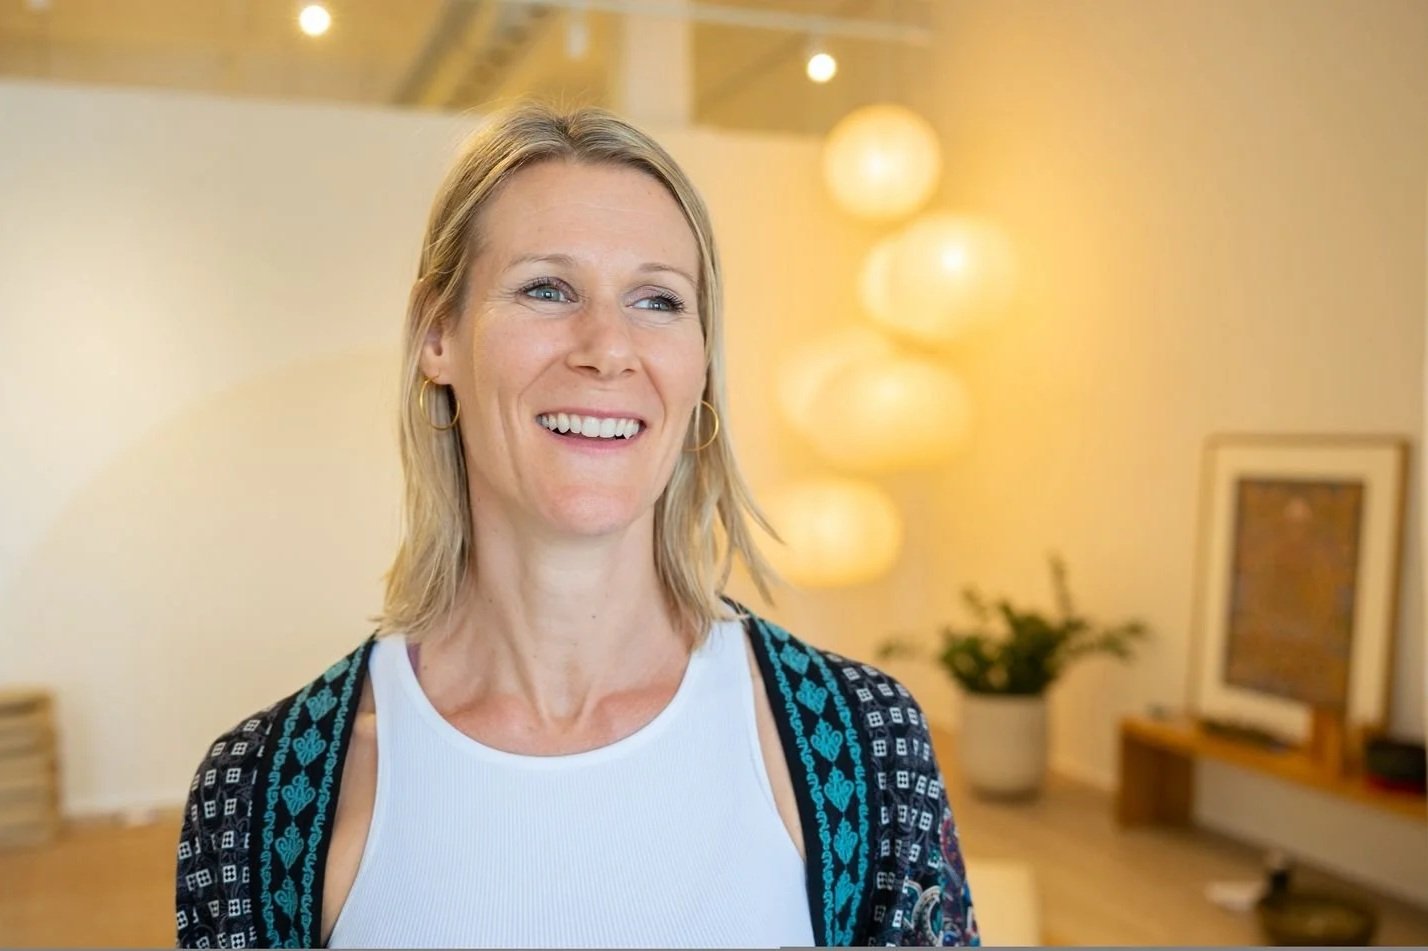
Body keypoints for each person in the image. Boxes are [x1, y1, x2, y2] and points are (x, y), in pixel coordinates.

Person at [175, 102, 978, 949]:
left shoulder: (864, 742)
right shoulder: (258, 797)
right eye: (547, 289)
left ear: (701, 364)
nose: (607, 346)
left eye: (657, 300)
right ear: (438, 333)